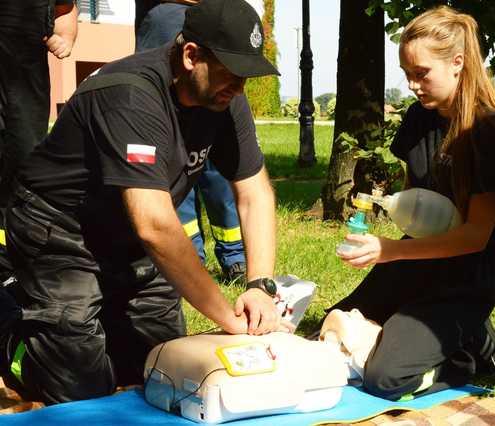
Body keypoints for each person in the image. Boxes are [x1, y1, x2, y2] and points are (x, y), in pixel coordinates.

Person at [0, 0, 290, 405]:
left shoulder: (225, 99)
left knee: (162, 370)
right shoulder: (131, 94)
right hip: (59, 229)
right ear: (191, 56)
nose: (239, 88)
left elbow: (255, 192)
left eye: (247, 77)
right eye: (231, 74)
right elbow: (155, 225)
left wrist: (260, 285)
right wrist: (227, 316)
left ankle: (93, 318)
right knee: (80, 388)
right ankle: (10, 323)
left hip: (127, 237)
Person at [332, 5, 495, 401]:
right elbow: (417, 200)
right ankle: (465, 332)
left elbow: (474, 238)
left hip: (466, 277)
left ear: (457, 63)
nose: (413, 85)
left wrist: (390, 251)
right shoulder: (420, 118)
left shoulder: (488, 132)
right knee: (334, 328)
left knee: (384, 377)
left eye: (421, 74)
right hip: (416, 262)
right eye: (407, 74)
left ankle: (466, 353)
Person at [135, 0, 247, 283]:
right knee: (174, 157)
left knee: (215, 152)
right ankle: (187, 256)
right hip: (169, 15)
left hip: (213, 19)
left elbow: (253, 188)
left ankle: (234, 256)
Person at [0, 0, 78, 279]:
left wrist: (66, 38)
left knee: (24, 160)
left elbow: (65, 7)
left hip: (25, 75)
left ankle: (11, 260)